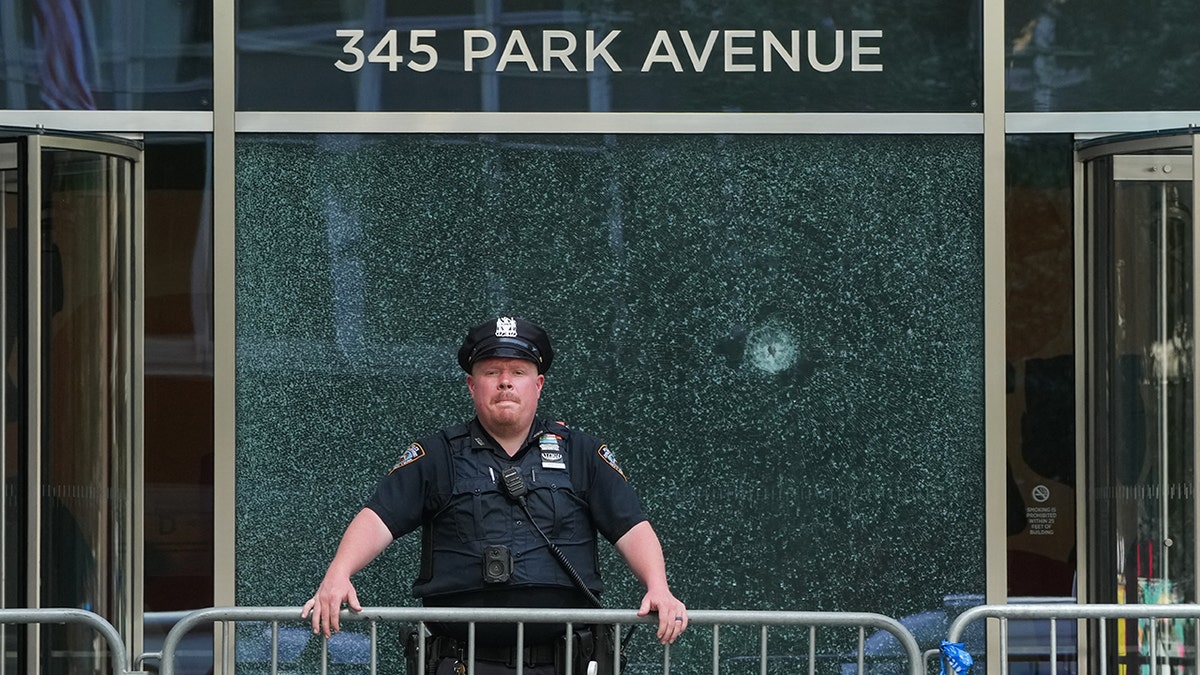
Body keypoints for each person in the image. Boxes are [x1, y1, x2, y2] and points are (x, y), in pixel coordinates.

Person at [302, 316, 688, 674]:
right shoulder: (437, 455)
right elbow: (378, 517)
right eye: (492, 372)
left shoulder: (581, 453)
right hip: (461, 662)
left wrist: (659, 587)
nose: (506, 382)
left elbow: (631, 526)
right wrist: (338, 574)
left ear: (538, 385)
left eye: (519, 372)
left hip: (563, 661)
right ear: (472, 384)